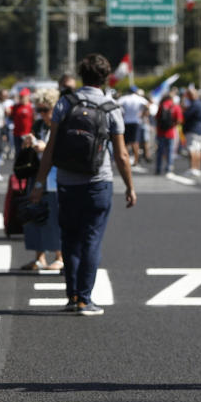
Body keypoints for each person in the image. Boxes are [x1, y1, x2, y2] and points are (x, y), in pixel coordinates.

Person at [28, 53, 137, 316]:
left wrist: (39, 183)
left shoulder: (66, 103)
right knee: (91, 240)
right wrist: (130, 187)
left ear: (81, 76)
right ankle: (85, 299)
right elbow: (122, 155)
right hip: (98, 182)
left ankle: (72, 295)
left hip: (66, 181)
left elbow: (51, 148)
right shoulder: (111, 107)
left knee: (70, 238)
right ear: (106, 77)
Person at [20, 88, 63, 271]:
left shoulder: (61, 125)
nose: (42, 114)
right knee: (35, 214)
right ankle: (39, 257)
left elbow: (62, 151)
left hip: (55, 177)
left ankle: (60, 256)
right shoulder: (39, 125)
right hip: (37, 174)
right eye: (39, 110)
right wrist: (29, 142)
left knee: (55, 217)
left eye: (45, 109)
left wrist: (45, 147)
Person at [118, 86, 149, 166]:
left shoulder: (124, 98)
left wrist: (122, 113)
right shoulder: (138, 98)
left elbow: (116, 104)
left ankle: (126, 158)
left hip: (126, 121)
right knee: (135, 142)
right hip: (136, 121)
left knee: (126, 143)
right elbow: (148, 105)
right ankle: (136, 160)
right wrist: (143, 114)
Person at [155, 90, 182, 175]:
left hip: (160, 131)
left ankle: (158, 168)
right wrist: (172, 125)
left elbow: (157, 117)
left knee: (160, 151)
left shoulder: (162, 105)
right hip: (170, 132)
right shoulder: (175, 106)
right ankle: (169, 168)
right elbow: (179, 119)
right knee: (170, 151)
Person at [182, 87, 201, 176]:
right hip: (199, 129)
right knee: (197, 149)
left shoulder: (194, 105)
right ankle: (197, 168)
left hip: (192, 129)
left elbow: (185, 116)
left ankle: (193, 168)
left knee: (192, 149)